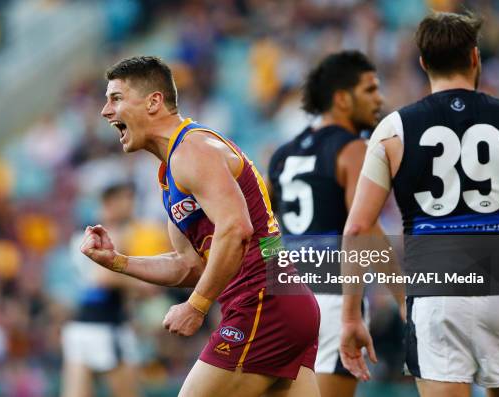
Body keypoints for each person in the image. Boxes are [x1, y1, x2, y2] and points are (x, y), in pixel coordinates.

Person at [80, 56, 321, 397]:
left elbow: (236, 229)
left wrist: (196, 306)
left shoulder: (192, 150)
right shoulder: (170, 173)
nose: (105, 110)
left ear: (153, 102)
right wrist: (119, 262)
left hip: (262, 303)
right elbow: (189, 266)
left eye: (116, 98)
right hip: (282, 303)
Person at [339, 12, 499, 397]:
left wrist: (359, 313)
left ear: (422, 63)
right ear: (475, 57)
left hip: (435, 295)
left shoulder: (393, 130)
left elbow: (357, 228)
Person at [268, 50, 391, 397]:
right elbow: (364, 230)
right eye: (369, 90)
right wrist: (405, 296)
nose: (379, 99)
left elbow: (266, 231)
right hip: (332, 299)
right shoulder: (354, 149)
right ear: (341, 98)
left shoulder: (282, 154)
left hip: (284, 296)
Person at [62, 183, 149, 397]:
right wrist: (144, 283)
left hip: (81, 323)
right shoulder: (111, 233)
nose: (131, 205)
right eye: (127, 199)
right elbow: (103, 278)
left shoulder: (80, 231)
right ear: (111, 202)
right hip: (107, 326)